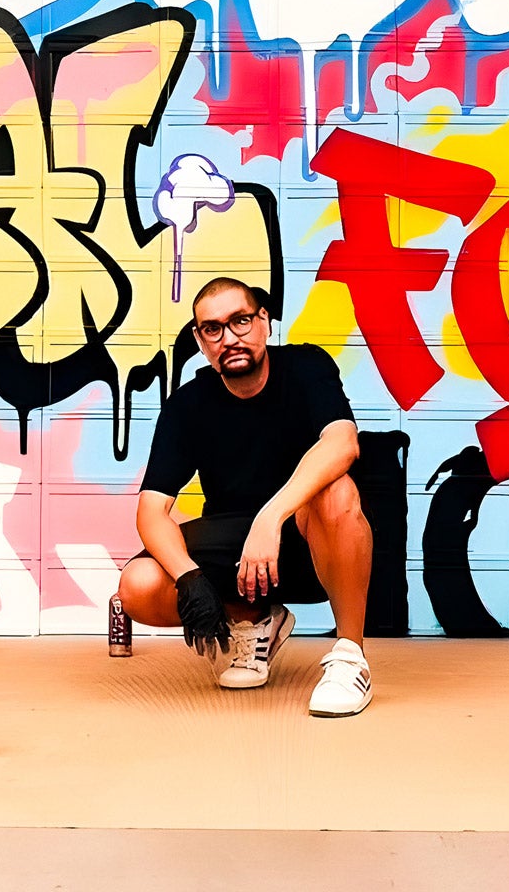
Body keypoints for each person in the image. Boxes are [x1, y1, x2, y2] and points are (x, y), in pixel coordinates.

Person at [116, 277, 374, 717]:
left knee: (337, 491)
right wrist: (189, 578)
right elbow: (151, 510)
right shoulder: (187, 404)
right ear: (201, 339)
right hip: (239, 561)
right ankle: (253, 623)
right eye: (213, 328)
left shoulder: (307, 367)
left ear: (264, 322)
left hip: (313, 543)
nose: (229, 338)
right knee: (136, 587)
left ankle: (351, 658)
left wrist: (271, 517)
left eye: (240, 321)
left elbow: (343, 442)